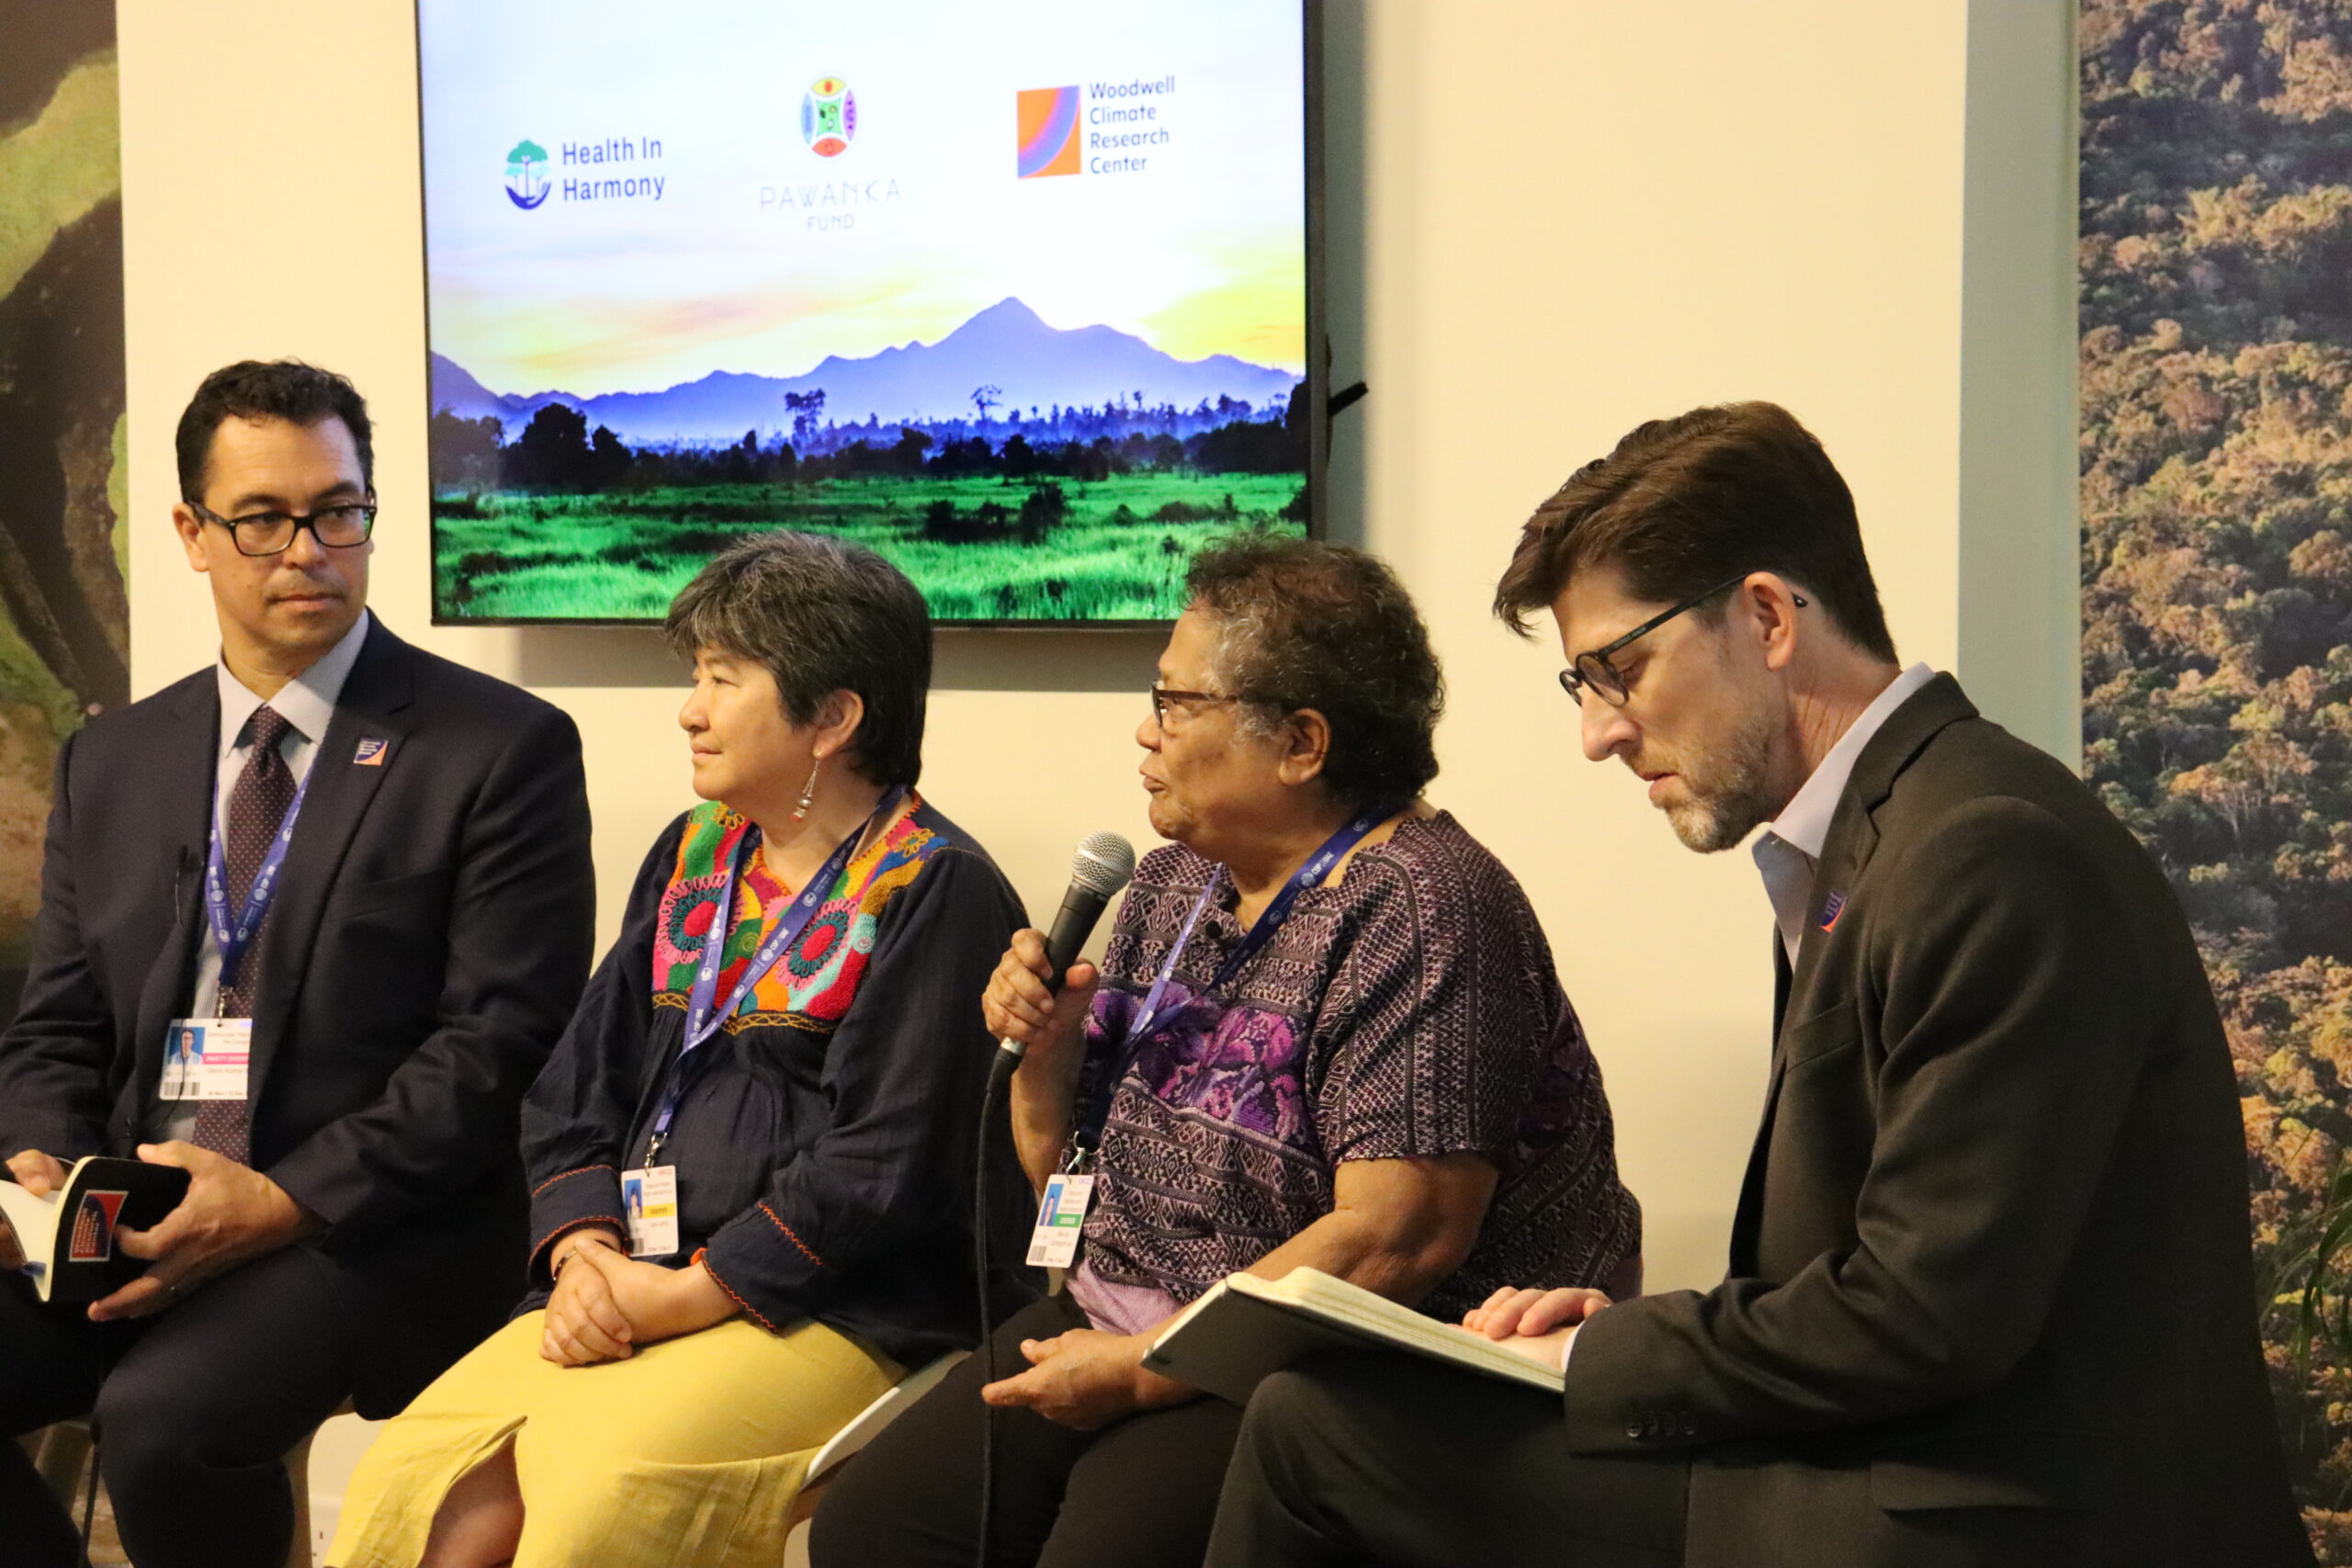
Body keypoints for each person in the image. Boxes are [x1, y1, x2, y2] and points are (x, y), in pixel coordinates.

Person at [1204, 402, 2312, 1568]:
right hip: (1899, 1463)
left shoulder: (1986, 853)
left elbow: (1923, 1316)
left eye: (1618, 670)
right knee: (1321, 1414)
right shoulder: (1887, 830)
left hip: (1995, 1510)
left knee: (1316, 1440)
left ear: (1768, 616)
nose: (1597, 734)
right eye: (1579, 685)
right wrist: (1628, 1339)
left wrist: (1607, 1356)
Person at [813, 536, 1642, 1568]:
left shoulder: (1427, 908)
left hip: (1313, 1366)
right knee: (874, 1530)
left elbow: (1397, 1240)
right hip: (1111, 1308)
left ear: (1300, 742)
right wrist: (1044, 1057)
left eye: (1174, 703)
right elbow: (1069, 1187)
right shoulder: (1173, 886)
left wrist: (1144, 1370)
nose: (1144, 732)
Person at [328, 532, 1035, 1568]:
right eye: (693, 675)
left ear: (834, 717)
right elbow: (576, 1086)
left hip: (834, 1305)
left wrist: (689, 1295)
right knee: (431, 1486)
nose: (688, 708)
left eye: (721, 678)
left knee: (597, 1500)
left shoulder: (935, 886)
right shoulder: (694, 852)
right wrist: (584, 1255)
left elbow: (882, 1164)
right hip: (629, 1275)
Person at [0, 360, 594, 1568]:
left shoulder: (497, 747)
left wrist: (276, 1198)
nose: (307, 549)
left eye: (339, 511)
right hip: (130, 1206)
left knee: (163, 1421)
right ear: (191, 532)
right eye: (263, 518)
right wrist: (47, 1176)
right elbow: (55, 1022)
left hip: (361, 1227)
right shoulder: (112, 758)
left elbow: (495, 1051)